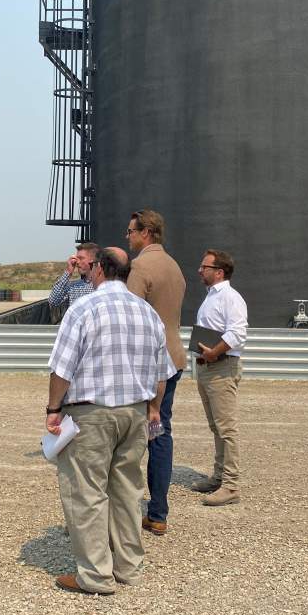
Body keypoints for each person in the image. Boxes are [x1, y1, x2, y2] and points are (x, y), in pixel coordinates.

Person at [45, 246, 176, 595]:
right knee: (128, 491)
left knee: (86, 491)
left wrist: (53, 409)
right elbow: (162, 372)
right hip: (134, 411)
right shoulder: (147, 313)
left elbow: (62, 368)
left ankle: (95, 575)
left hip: (91, 412)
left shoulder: (83, 308)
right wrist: (153, 408)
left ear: (100, 269)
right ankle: (129, 567)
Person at [125, 209, 187, 535]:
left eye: (131, 231)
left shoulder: (140, 267)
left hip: (147, 365)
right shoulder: (174, 266)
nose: (127, 236)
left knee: (131, 436)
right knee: (160, 434)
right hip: (173, 359)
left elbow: (132, 319)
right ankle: (159, 512)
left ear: (146, 232)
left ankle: (125, 511)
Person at [190, 249, 248, 506]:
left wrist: (214, 352)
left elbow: (237, 333)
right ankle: (219, 476)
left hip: (221, 367)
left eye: (205, 267)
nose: (200, 270)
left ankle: (231, 485)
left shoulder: (230, 298)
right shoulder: (211, 297)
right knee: (216, 426)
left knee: (226, 428)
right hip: (208, 367)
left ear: (219, 271)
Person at [47, 243, 98, 313]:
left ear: (93, 260)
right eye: (77, 258)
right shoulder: (73, 286)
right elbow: (53, 301)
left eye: (81, 258)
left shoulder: (104, 286)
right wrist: (68, 272)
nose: (77, 262)